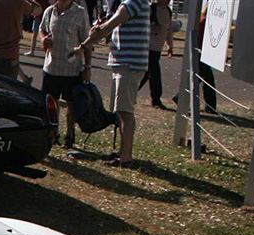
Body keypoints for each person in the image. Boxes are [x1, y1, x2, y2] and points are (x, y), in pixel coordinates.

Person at [77, 0, 149, 166]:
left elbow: (110, 25)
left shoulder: (133, 2)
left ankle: (126, 157)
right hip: (124, 63)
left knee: (125, 112)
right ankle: (123, 153)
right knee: (121, 111)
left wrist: (82, 46)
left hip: (129, 64)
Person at [39, 0, 89, 147]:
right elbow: (42, 29)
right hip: (51, 67)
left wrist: (88, 67)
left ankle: (69, 135)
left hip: (72, 68)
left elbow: (87, 41)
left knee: (71, 104)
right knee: (52, 104)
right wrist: (43, 38)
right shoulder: (49, 11)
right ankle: (53, 132)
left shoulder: (80, 13)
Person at [137, 0, 170, 109]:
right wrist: (152, 28)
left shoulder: (167, 11)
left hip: (158, 48)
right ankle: (156, 99)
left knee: (145, 73)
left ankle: (131, 92)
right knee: (154, 72)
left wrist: (170, 45)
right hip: (148, 46)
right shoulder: (151, 9)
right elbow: (141, 25)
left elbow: (168, 30)